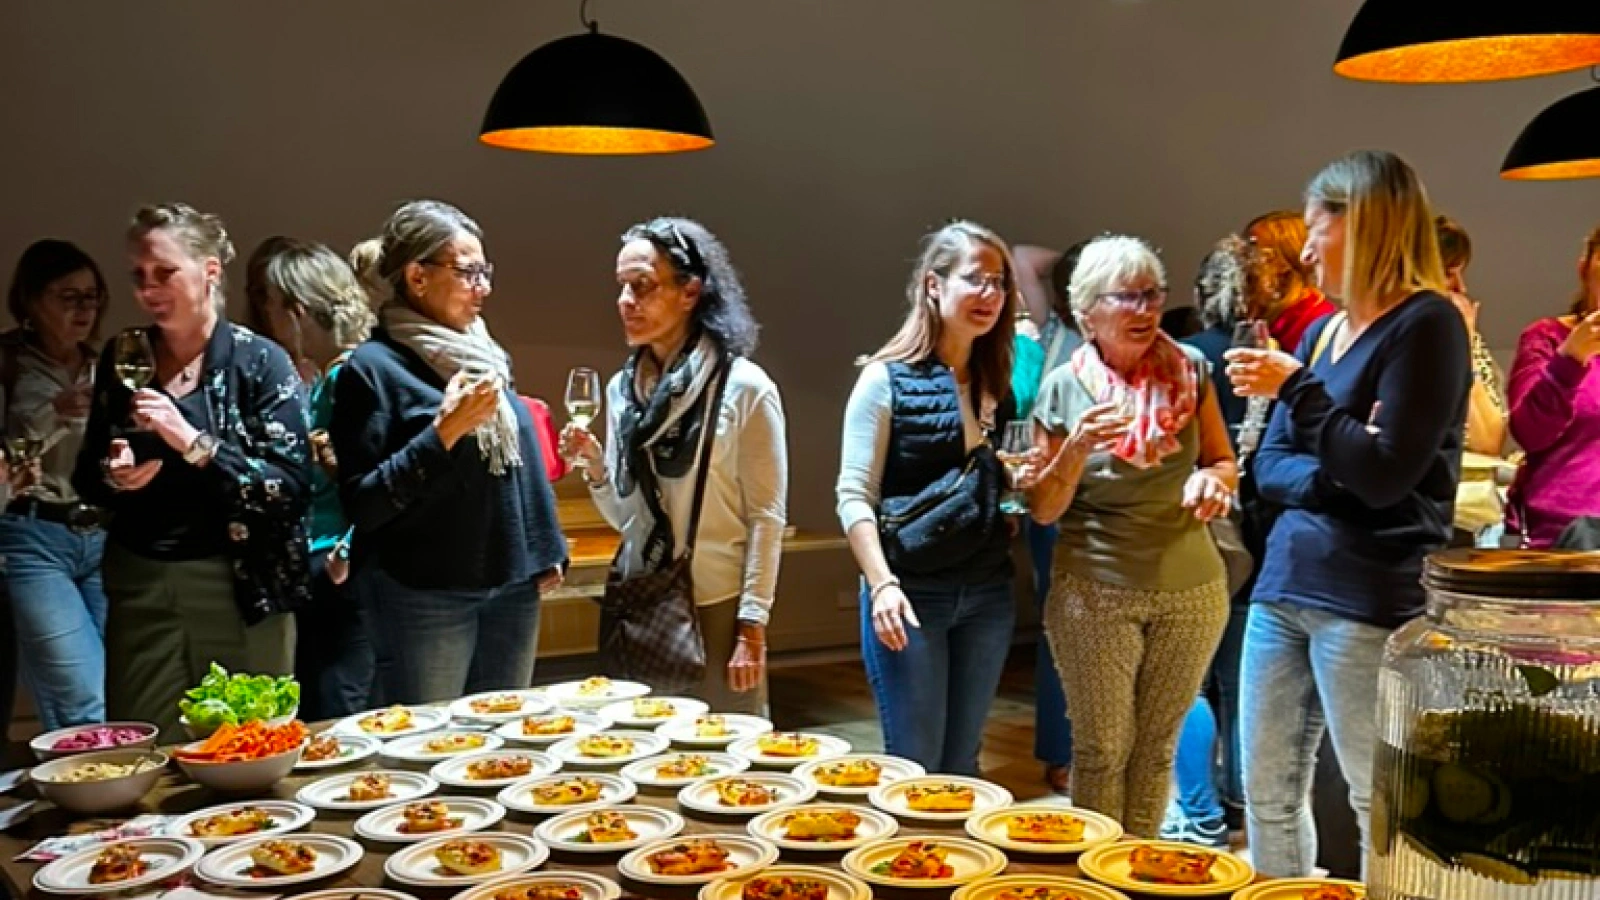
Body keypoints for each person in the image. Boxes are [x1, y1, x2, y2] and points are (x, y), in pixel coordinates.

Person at [1225, 150, 1470, 877]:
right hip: (1284, 583)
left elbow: (1388, 473)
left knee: (1377, 796)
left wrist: (1304, 395)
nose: (1303, 251)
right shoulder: (1320, 333)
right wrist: (1343, 461)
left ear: (1364, 225)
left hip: (1366, 595)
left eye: (1315, 229)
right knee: (1265, 791)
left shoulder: (1427, 325)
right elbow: (1266, 469)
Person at [1022, 234, 1236, 838]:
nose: (1144, 310)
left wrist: (1213, 481)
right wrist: (1077, 445)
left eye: (1152, 295)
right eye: (1127, 298)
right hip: (1096, 591)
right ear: (1088, 310)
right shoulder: (1064, 386)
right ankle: (1092, 875)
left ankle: (1136, 869)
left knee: (1156, 749)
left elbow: (1220, 459)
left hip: (1192, 589)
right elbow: (1044, 509)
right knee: (1101, 750)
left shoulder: (1192, 371)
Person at [72, 204, 311, 738]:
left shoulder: (260, 362)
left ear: (209, 271)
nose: (149, 290)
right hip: (143, 580)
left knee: (249, 745)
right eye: (138, 277)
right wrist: (115, 474)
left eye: (164, 273)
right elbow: (86, 475)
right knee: (145, 745)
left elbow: (290, 487)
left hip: (239, 583)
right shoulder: (124, 355)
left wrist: (196, 443)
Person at [330, 199, 566, 705]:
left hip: (511, 586)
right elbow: (363, 503)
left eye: (485, 272)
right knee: (430, 742)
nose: (484, 287)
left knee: (504, 743)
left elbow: (519, 464)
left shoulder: (483, 353)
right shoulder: (372, 369)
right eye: (468, 273)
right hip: (426, 593)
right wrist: (441, 435)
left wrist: (547, 547)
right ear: (417, 276)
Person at [563, 217, 786, 712]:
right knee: (645, 757)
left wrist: (752, 627)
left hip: (717, 607)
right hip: (644, 601)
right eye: (621, 287)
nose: (626, 302)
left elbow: (766, 520)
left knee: (727, 762)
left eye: (642, 286)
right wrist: (598, 468)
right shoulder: (623, 389)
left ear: (690, 292)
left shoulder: (744, 388)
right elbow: (628, 522)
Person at [836, 220, 1020, 775]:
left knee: (963, 764)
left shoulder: (998, 379)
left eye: (999, 282)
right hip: (910, 594)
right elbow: (853, 495)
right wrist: (882, 584)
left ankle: (963, 864)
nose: (989, 294)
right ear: (933, 285)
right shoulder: (884, 379)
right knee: (915, 767)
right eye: (975, 279)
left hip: (987, 589)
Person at [246, 239, 376, 720]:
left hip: (337, 561)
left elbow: (372, 477)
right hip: (321, 558)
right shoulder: (330, 374)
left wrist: (346, 544)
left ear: (297, 312)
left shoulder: (347, 375)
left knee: (339, 707)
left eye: (272, 308)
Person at [1163, 236, 1259, 847]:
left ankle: (1198, 813)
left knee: (1183, 681)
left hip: (1197, 536)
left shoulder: (1184, 359)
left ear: (1199, 298)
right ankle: (1237, 799)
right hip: (1260, 538)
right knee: (1237, 680)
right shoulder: (1271, 359)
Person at [0, 240, 109, 731]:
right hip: (32, 537)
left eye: (91, 296)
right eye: (69, 297)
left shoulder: (104, 363)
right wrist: (55, 414)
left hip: (103, 535)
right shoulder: (9, 365)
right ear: (31, 301)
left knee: (124, 685)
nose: (84, 309)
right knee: (78, 693)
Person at [1012, 240, 1088, 793]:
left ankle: (1090, 753)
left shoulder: (1125, 341)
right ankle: (1061, 755)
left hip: (1107, 503)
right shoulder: (1056, 329)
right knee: (1061, 629)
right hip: (1057, 503)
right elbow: (1022, 255)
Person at [1506, 223, 1600, 547]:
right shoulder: (1547, 338)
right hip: (1563, 541)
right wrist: (1571, 360)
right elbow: (1528, 433)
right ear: (1585, 267)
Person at [1434, 215, 1511, 546]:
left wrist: (1463, 342)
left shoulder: (1467, 340)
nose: (1461, 288)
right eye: (1450, 273)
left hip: (1467, 512)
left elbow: (1488, 439)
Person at [1244, 211, 1337, 353]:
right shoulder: (1264, 312)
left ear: (1283, 260)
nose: (1242, 260)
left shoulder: (1316, 316)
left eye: (1253, 249)